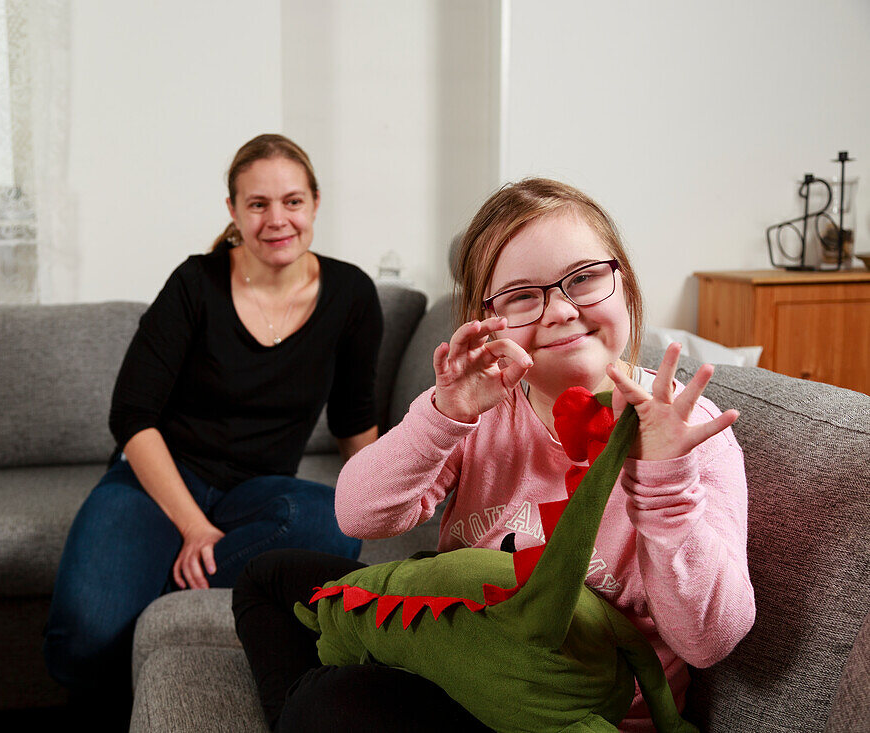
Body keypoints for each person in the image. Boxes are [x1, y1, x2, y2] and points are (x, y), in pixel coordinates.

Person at [233, 178, 755, 732]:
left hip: (562, 712)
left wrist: (664, 489)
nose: (559, 311)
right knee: (268, 577)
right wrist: (443, 415)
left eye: (583, 279)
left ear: (623, 283)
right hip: (458, 650)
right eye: (524, 295)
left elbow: (709, 642)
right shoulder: (481, 403)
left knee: (330, 703)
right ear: (488, 319)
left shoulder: (687, 431)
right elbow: (360, 515)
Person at [44, 134, 382, 699]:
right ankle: (149, 594)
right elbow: (132, 416)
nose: (278, 219)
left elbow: (353, 419)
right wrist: (193, 526)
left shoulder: (351, 294)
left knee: (333, 520)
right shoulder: (194, 283)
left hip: (259, 493)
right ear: (233, 211)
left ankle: (158, 587)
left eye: (292, 202)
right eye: (258, 204)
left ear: (316, 204)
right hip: (158, 483)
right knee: (83, 639)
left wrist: (383, 501)